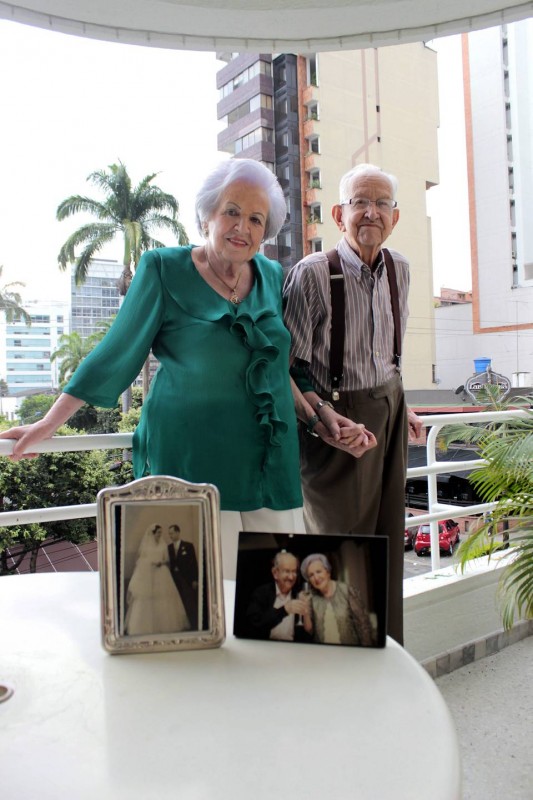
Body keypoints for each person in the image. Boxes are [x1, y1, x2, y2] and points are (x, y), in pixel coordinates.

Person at [0, 158, 373, 578]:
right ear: (208, 214)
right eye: (232, 211)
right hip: (190, 457)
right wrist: (47, 424)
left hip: (269, 461)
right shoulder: (163, 268)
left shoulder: (272, 275)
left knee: (270, 597)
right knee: (191, 595)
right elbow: (114, 351)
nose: (242, 227)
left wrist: (321, 417)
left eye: (256, 218)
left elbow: (278, 370)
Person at [283, 163, 423, 644]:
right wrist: (323, 420)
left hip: (387, 413)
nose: (371, 212)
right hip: (332, 423)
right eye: (360, 202)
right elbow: (288, 366)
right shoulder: (313, 274)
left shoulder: (400, 270)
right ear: (339, 214)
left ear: (395, 217)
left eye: (382, 203)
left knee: (386, 542)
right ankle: (328, 665)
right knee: (337, 550)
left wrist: (402, 408)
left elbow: (387, 357)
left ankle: (384, 655)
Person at [124, 523, 191, 636]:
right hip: (148, 575)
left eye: (161, 532)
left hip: (162, 573)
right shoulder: (146, 546)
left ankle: (165, 625)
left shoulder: (163, 545)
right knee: (147, 599)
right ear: (153, 533)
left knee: (164, 598)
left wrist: (161, 562)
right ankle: (144, 626)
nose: (161, 534)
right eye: (159, 532)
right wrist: (149, 564)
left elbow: (167, 560)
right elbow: (140, 561)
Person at [299, 553, 374, 646]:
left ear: (328, 572)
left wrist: (365, 653)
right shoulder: (311, 597)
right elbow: (309, 630)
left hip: (349, 652)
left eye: (318, 572)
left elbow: (363, 625)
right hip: (323, 653)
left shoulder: (346, 591)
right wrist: (305, 609)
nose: (316, 578)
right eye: (311, 575)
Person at [244, 551, 309, 641]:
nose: (291, 577)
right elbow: (254, 624)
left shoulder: (299, 595)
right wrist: (284, 610)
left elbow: (306, 633)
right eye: (287, 571)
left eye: (294, 571)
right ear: (275, 573)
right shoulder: (261, 593)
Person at [167, 523, 199, 629]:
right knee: (179, 602)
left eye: (172, 533)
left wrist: (195, 579)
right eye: (169, 534)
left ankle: (194, 624)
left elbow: (194, 563)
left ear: (177, 532)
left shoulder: (189, 546)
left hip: (187, 579)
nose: (170, 536)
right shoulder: (169, 548)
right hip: (175, 579)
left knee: (190, 601)